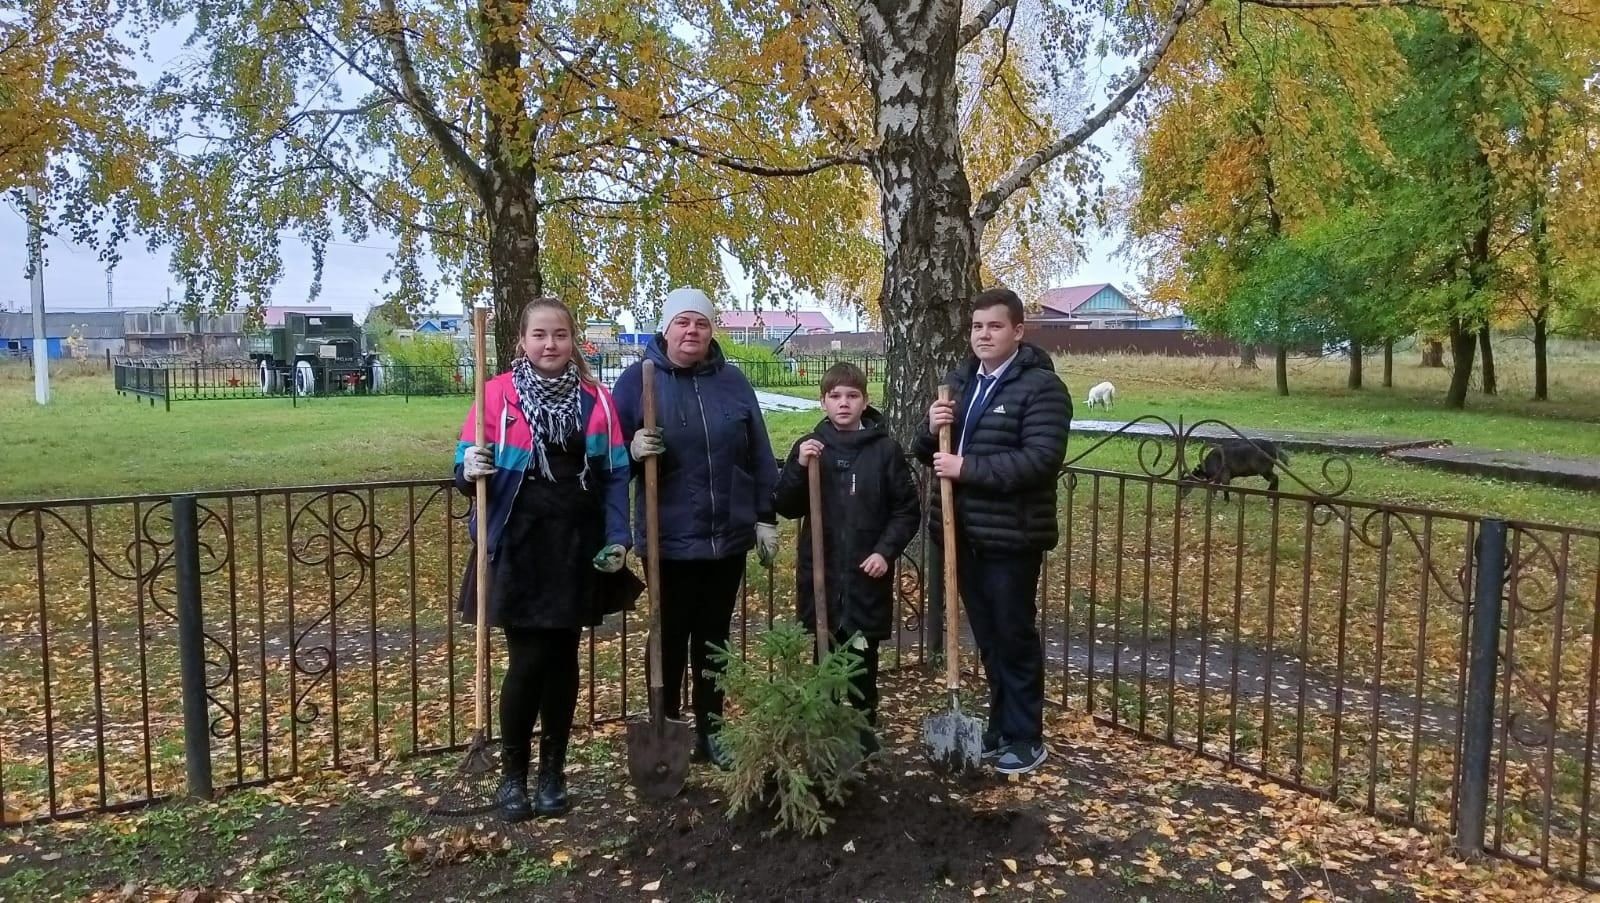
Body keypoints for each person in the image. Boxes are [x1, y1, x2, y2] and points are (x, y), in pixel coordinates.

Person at [454, 297, 634, 822]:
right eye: (540, 335)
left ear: (572, 340)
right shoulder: (497, 396)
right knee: (528, 660)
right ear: (522, 342)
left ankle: (553, 773)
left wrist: (619, 537)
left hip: (575, 544)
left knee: (564, 662)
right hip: (518, 541)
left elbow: (615, 474)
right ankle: (514, 777)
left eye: (559, 335)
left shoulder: (595, 401)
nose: (550, 345)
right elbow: (464, 475)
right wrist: (472, 466)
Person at [613, 287, 780, 769]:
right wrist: (630, 450)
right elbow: (606, 457)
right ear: (665, 329)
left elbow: (758, 452)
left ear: (712, 331)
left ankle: (712, 729)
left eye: (701, 324)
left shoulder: (732, 382)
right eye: (683, 322)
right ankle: (665, 726)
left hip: (726, 535)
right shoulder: (638, 380)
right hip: (668, 537)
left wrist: (765, 516)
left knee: (713, 638)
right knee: (667, 636)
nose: (692, 331)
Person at [914, 287, 1071, 776]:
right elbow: (931, 453)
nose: (984, 334)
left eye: (995, 326)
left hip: (1011, 537)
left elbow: (1039, 461)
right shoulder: (960, 383)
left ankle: (1026, 737)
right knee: (988, 637)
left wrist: (967, 468)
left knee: (1013, 635)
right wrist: (929, 425)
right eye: (978, 326)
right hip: (965, 536)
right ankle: (1001, 727)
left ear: (1018, 332)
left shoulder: (1042, 389)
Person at [773, 362, 920, 753]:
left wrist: (884, 552)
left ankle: (862, 727)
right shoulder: (810, 448)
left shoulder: (884, 451)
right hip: (822, 573)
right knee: (824, 650)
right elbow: (786, 506)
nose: (843, 403)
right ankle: (825, 727)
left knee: (862, 656)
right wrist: (799, 467)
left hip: (864, 572)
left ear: (865, 401)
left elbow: (906, 511)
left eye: (852, 396)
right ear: (822, 401)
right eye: (835, 396)